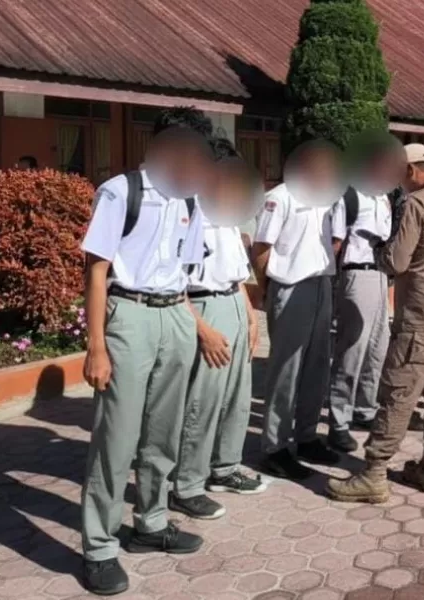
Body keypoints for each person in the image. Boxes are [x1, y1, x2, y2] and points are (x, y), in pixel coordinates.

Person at [78, 125, 213, 596]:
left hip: (175, 314)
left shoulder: (191, 199)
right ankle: (98, 547)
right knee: (117, 437)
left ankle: (151, 524)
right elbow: (96, 270)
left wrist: (193, 326)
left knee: (164, 430)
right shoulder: (120, 193)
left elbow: (184, 270)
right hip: (128, 316)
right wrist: (96, 345)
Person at [325, 144, 424, 503]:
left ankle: (374, 473)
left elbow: (396, 262)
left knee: (397, 395)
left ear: (411, 171)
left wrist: (376, 248)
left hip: (420, 318)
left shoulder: (417, 205)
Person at [169, 140, 267, 524]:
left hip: (232, 303)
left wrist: (250, 314)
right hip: (203, 307)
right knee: (203, 402)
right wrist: (201, 328)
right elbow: (174, 281)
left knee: (237, 397)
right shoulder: (187, 210)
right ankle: (187, 485)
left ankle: (225, 468)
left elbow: (237, 272)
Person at [253, 141, 345, 480]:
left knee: (317, 365)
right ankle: (274, 447)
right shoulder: (280, 197)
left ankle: (306, 437)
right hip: (291, 288)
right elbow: (262, 248)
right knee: (286, 370)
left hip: (322, 285)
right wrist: (267, 289)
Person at [326, 137, 402, 453]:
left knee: (377, 346)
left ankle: (365, 409)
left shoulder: (384, 197)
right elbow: (336, 243)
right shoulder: (349, 195)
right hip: (355, 273)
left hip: (381, 274)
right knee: (352, 349)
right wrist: (333, 286)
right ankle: (338, 421)